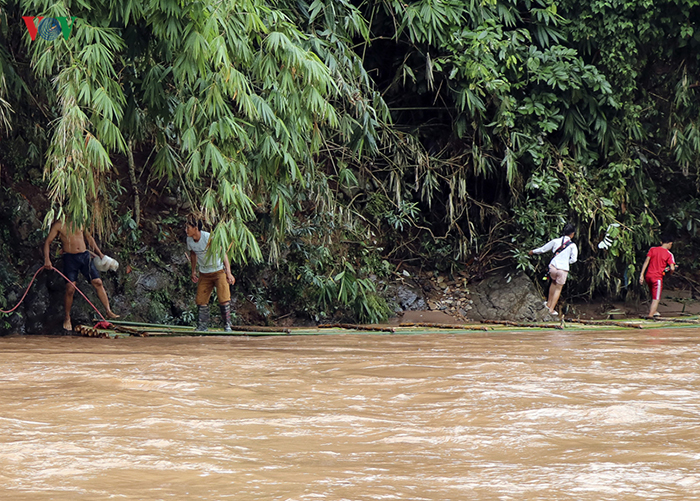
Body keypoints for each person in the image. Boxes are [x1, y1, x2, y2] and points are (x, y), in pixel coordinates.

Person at [43, 221, 119, 330]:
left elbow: (89, 238)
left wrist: (100, 254)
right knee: (70, 288)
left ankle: (108, 310)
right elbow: (47, 242)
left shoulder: (80, 221)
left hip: (84, 256)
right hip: (70, 258)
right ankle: (67, 317)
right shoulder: (59, 225)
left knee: (98, 282)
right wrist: (47, 259)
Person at [186, 216, 236, 331]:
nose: (186, 230)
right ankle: (202, 326)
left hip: (218, 271)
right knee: (201, 299)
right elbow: (193, 254)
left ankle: (227, 325)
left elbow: (223, 253)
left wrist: (228, 272)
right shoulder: (189, 240)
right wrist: (193, 271)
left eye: (188, 227)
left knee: (224, 298)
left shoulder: (208, 237)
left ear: (196, 228)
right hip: (204, 272)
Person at [528, 223, 578, 316]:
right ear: (572, 234)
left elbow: (543, 249)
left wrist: (532, 252)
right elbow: (574, 259)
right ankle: (551, 309)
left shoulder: (555, 241)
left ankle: (548, 304)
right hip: (563, 270)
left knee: (553, 283)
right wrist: (567, 262)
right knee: (558, 289)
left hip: (553, 268)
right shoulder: (572, 246)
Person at [638, 235, 675, 318]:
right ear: (670, 244)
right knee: (656, 298)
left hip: (648, 276)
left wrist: (641, 275)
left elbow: (646, 262)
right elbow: (672, 268)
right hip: (657, 278)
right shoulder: (669, 254)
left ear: (661, 242)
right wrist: (670, 273)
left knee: (653, 294)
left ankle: (654, 312)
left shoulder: (652, 249)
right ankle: (650, 316)